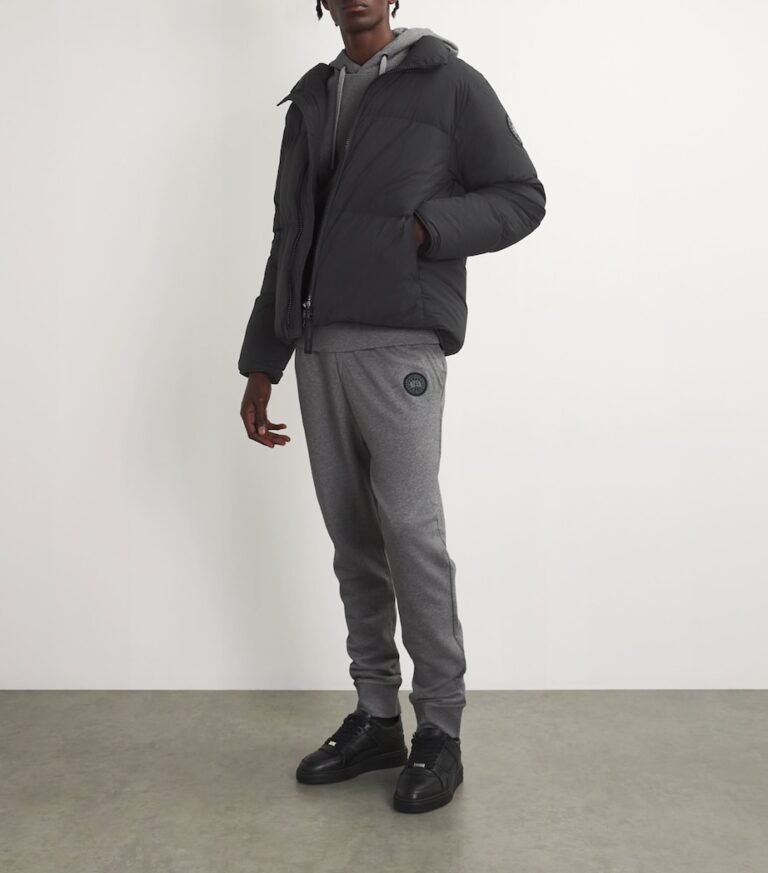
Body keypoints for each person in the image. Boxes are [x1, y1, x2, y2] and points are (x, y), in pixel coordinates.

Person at [238, 0, 545, 814]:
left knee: (412, 534)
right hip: (316, 350)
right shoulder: (313, 99)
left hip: (400, 342)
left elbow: (522, 196)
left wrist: (422, 230)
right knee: (354, 540)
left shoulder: (449, 83)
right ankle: (377, 717)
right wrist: (262, 361)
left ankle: (439, 728)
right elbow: (289, 236)